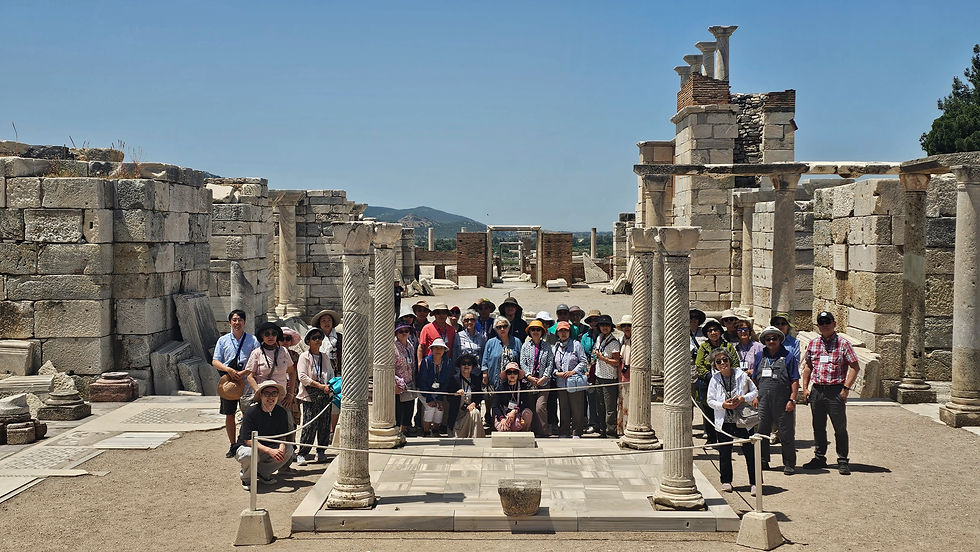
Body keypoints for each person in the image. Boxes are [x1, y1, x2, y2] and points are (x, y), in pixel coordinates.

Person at [801, 311, 860, 475]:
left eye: (827, 322)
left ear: (834, 324)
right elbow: (808, 368)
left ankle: (842, 460)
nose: (824, 325)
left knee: (839, 428)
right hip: (818, 390)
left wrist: (846, 388)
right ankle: (819, 457)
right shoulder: (813, 344)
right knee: (818, 427)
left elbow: (855, 367)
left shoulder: (843, 344)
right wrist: (806, 388)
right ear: (818, 325)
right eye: (821, 322)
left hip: (835, 390)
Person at [706, 348, 758, 495]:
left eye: (725, 360)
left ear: (730, 360)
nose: (723, 363)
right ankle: (726, 481)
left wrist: (743, 398)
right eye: (718, 362)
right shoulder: (715, 379)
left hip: (742, 419)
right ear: (715, 365)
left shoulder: (741, 375)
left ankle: (754, 482)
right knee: (725, 452)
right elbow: (710, 400)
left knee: (749, 450)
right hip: (724, 420)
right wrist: (723, 405)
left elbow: (754, 392)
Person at [752, 326, 799, 474]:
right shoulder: (760, 356)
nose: (771, 341)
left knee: (786, 433)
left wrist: (792, 399)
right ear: (764, 341)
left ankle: (789, 463)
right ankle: (763, 461)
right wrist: (755, 395)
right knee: (762, 432)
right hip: (763, 400)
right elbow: (754, 378)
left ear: (780, 339)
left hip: (782, 400)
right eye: (768, 339)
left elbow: (794, 380)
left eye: (774, 338)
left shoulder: (788, 356)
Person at [212, 309, 260, 458]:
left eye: (240, 320)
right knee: (230, 414)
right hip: (229, 383)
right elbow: (215, 361)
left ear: (244, 322)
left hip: (246, 383)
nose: (237, 323)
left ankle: (246, 442)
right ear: (230, 322)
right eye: (234, 320)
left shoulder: (252, 340)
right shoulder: (223, 340)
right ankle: (233, 444)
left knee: (249, 414)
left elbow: (257, 360)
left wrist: (243, 372)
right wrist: (228, 369)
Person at [235, 380, 294, 491]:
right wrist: (269, 451)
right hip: (248, 447)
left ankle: (262, 473)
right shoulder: (251, 412)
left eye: (274, 393)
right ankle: (247, 478)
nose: (270, 397)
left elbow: (283, 436)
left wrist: (281, 446)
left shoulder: (281, 412)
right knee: (249, 454)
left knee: (288, 449)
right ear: (261, 395)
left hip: (269, 446)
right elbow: (248, 440)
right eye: (267, 393)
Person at [694, 318, 738, 444]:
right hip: (709, 383)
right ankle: (711, 438)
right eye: (710, 331)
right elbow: (699, 364)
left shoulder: (728, 346)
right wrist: (709, 376)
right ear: (707, 334)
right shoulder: (704, 347)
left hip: (727, 382)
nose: (713, 333)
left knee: (727, 410)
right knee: (709, 410)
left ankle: (726, 437)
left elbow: (734, 362)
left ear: (720, 331)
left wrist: (727, 374)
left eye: (716, 330)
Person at [296, 328, 334, 465]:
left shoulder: (324, 356)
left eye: (319, 337)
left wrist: (329, 386)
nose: (317, 340)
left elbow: (330, 373)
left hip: (325, 393)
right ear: (308, 341)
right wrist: (319, 386)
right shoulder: (304, 356)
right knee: (309, 424)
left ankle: (321, 451)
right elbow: (302, 377)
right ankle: (303, 452)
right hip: (310, 394)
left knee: (324, 423)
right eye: (314, 338)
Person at [244, 322, 297, 419]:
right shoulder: (256, 353)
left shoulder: (283, 351)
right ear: (262, 336)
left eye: (274, 334)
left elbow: (292, 373)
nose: (270, 336)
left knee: (286, 425)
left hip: (281, 397)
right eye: (267, 334)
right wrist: (258, 392)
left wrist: (290, 394)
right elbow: (250, 376)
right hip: (262, 398)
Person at [481, 318, 522, 433]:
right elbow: (485, 360)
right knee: (496, 403)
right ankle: (497, 426)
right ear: (495, 329)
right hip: (495, 379)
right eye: (499, 327)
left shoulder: (517, 342)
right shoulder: (490, 342)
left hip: (512, 379)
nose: (502, 329)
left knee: (511, 403)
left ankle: (511, 424)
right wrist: (485, 373)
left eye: (504, 326)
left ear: (509, 327)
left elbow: (520, 359)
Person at [553, 321, 588, 438]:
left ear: (569, 332)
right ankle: (564, 431)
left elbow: (583, 361)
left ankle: (577, 431)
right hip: (561, 382)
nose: (563, 333)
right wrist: (557, 373)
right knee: (563, 407)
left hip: (574, 381)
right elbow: (552, 364)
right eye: (561, 331)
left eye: (565, 330)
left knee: (577, 407)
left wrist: (573, 371)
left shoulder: (576, 344)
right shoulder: (556, 347)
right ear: (557, 333)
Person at [520, 320, 555, 437]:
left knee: (540, 407)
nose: (535, 332)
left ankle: (543, 432)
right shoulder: (525, 346)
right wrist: (529, 376)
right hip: (529, 382)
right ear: (529, 331)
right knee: (531, 407)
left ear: (542, 332)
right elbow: (522, 363)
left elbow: (550, 363)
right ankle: (531, 431)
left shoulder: (547, 346)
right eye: (533, 329)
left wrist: (544, 377)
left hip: (543, 383)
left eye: (538, 330)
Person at [591, 315, 622, 438]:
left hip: (609, 377)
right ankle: (602, 429)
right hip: (599, 375)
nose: (605, 327)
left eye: (607, 325)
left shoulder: (613, 343)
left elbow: (617, 362)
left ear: (611, 327)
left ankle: (610, 431)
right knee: (600, 405)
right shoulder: (599, 338)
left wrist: (603, 358)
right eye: (602, 325)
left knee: (610, 407)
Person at [417, 338, 453, 437]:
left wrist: (440, 398)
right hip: (425, 390)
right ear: (431, 349)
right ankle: (426, 431)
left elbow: (446, 381)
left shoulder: (448, 362)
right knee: (430, 407)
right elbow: (422, 381)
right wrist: (429, 398)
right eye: (435, 348)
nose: (438, 350)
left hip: (439, 390)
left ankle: (436, 430)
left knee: (440, 408)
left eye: (440, 348)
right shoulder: (426, 362)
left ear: (444, 350)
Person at [447, 354, 485, 438]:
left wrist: (474, 403)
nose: (466, 366)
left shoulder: (476, 379)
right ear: (460, 366)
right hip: (458, 414)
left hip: (470, 411)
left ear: (472, 367)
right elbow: (448, 397)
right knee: (475, 413)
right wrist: (455, 394)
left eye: (469, 364)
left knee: (475, 412)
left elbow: (480, 396)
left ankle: (475, 437)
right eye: (463, 363)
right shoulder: (454, 379)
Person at [580, 309, 603, 434]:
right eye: (592, 320)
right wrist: (585, 370)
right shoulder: (585, 336)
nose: (594, 322)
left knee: (601, 397)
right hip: (589, 368)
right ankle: (592, 422)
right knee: (590, 397)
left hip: (602, 368)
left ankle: (601, 422)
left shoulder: (604, 334)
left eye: (596, 320)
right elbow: (582, 354)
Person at [393, 322, 418, 436]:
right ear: (396, 333)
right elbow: (390, 367)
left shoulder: (410, 345)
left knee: (409, 409)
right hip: (398, 384)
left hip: (410, 382)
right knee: (398, 410)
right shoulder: (393, 347)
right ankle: (398, 431)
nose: (404, 334)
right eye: (400, 332)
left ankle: (406, 430)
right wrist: (395, 384)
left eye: (406, 331)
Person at [493, 362, 533, 432]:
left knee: (527, 413)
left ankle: (524, 431)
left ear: (518, 374)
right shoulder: (501, 387)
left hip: (517, 413)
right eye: (509, 372)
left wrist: (515, 411)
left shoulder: (523, 386)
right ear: (506, 375)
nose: (512, 375)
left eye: (515, 372)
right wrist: (502, 418)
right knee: (503, 428)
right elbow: (495, 406)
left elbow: (526, 403)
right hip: (505, 414)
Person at [279, 327, 303, 425]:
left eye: (287, 339)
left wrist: (292, 393)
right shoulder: (273, 354)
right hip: (278, 390)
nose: (285, 341)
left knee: (292, 421)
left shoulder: (295, 356)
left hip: (293, 392)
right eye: (282, 339)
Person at [311, 310, 343, 375]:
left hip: (339, 370)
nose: (327, 323)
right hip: (321, 369)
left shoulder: (339, 337)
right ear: (319, 323)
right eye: (324, 321)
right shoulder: (316, 338)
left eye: (329, 320)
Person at [616, 315, 632, 435]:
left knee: (630, 403)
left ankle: (629, 428)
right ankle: (621, 429)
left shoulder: (637, 341)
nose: (627, 328)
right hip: (621, 374)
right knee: (621, 402)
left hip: (632, 375)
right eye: (624, 326)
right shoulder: (621, 340)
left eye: (629, 325)